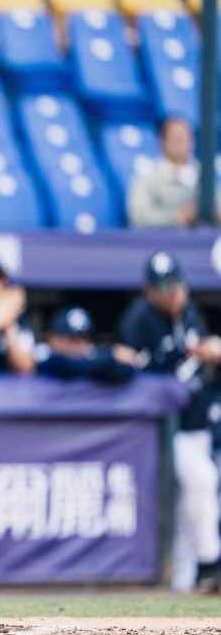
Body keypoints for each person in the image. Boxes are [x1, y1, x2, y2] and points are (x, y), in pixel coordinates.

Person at [115, 251, 221, 593]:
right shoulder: (139, 320)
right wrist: (189, 353)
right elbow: (139, 369)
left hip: (200, 423)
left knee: (192, 502)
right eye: (166, 288)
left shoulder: (189, 314)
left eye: (177, 285)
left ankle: (186, 582)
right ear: (150, 291)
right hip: (166, 429)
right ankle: (209, 567)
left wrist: (210, 351)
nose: (174, 293)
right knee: (201, 482)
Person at [127, 116, 220, 227]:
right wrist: (177, 217)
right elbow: (139, 216)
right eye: (175, 139)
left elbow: (217, 201)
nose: (181, 144)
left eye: (185, 138)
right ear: (162, 142)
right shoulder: (148, 177)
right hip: (167, 241)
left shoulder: (203, 174)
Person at [34, 306, 138, 383]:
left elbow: (124, 372)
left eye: (83, 339)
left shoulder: (92, 356)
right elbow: (67, 366)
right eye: (72, 339)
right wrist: (112, 354)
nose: (78, 346)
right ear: (53, 338)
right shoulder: (42, 354)